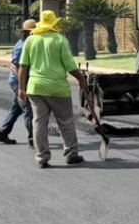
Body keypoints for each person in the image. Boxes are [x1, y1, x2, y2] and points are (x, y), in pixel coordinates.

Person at [18, 10, 89, 168]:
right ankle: (71, 154)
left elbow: (23, 67)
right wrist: (81, 80)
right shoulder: (60, 40)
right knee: (65, 121)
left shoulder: (30, 40)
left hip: (36, 88)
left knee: (39, 122)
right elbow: (70, 66)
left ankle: (42, 157)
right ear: (53, 24)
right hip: (58, 89)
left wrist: (21, 89)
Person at [0, 19, 36, 146]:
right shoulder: (21, 46)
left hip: (22, 80)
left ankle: (3, 133)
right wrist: (22, 86)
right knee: (28, 108)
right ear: (27, 33)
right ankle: (33, 138)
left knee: (16, 108)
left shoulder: (28, 43)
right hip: (17, 81)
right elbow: (15, 66)